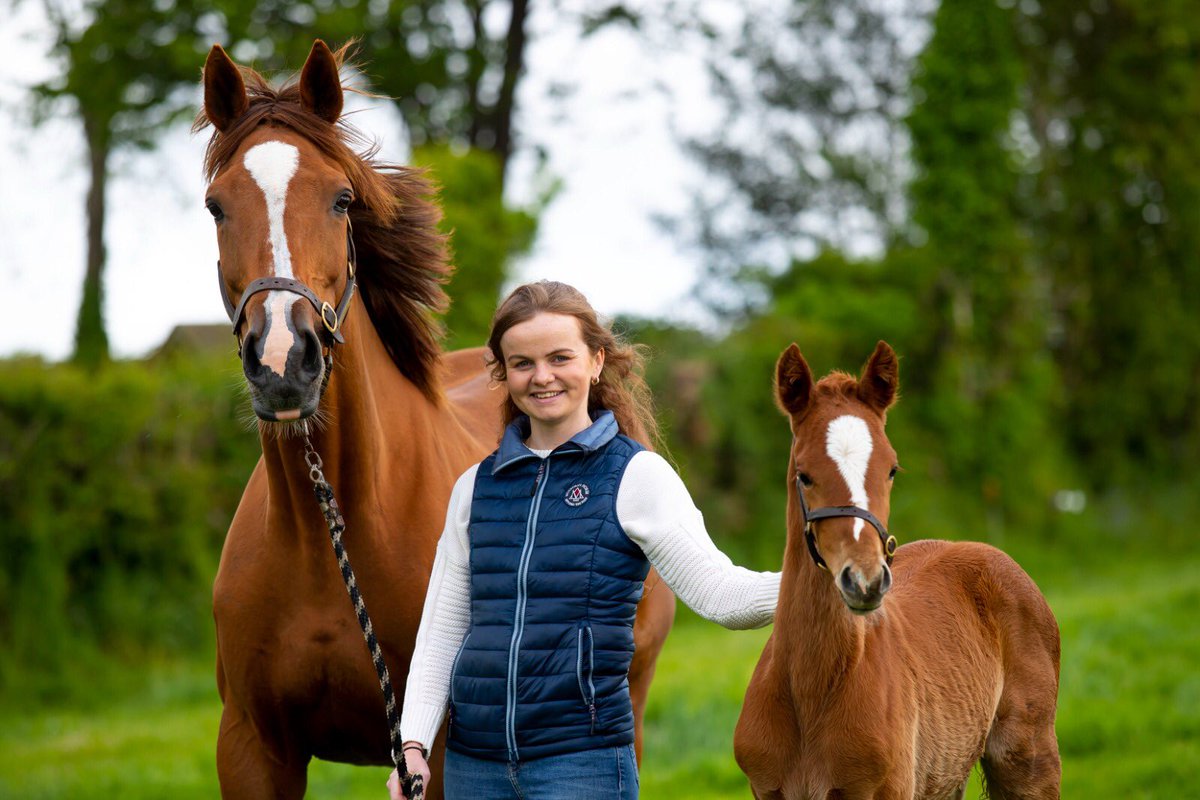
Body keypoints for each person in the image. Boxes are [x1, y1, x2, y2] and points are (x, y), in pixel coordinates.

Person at [387, 281, 780, 799]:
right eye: (522, 363)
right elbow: (442, 630)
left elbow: (722, 595)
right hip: (473, 766)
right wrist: (413, 744)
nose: (542, 376)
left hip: (581, 765)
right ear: (502, 374)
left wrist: (833, 580)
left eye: (560, 358)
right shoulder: (474, 487)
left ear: (596, 361)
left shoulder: (636, 475)